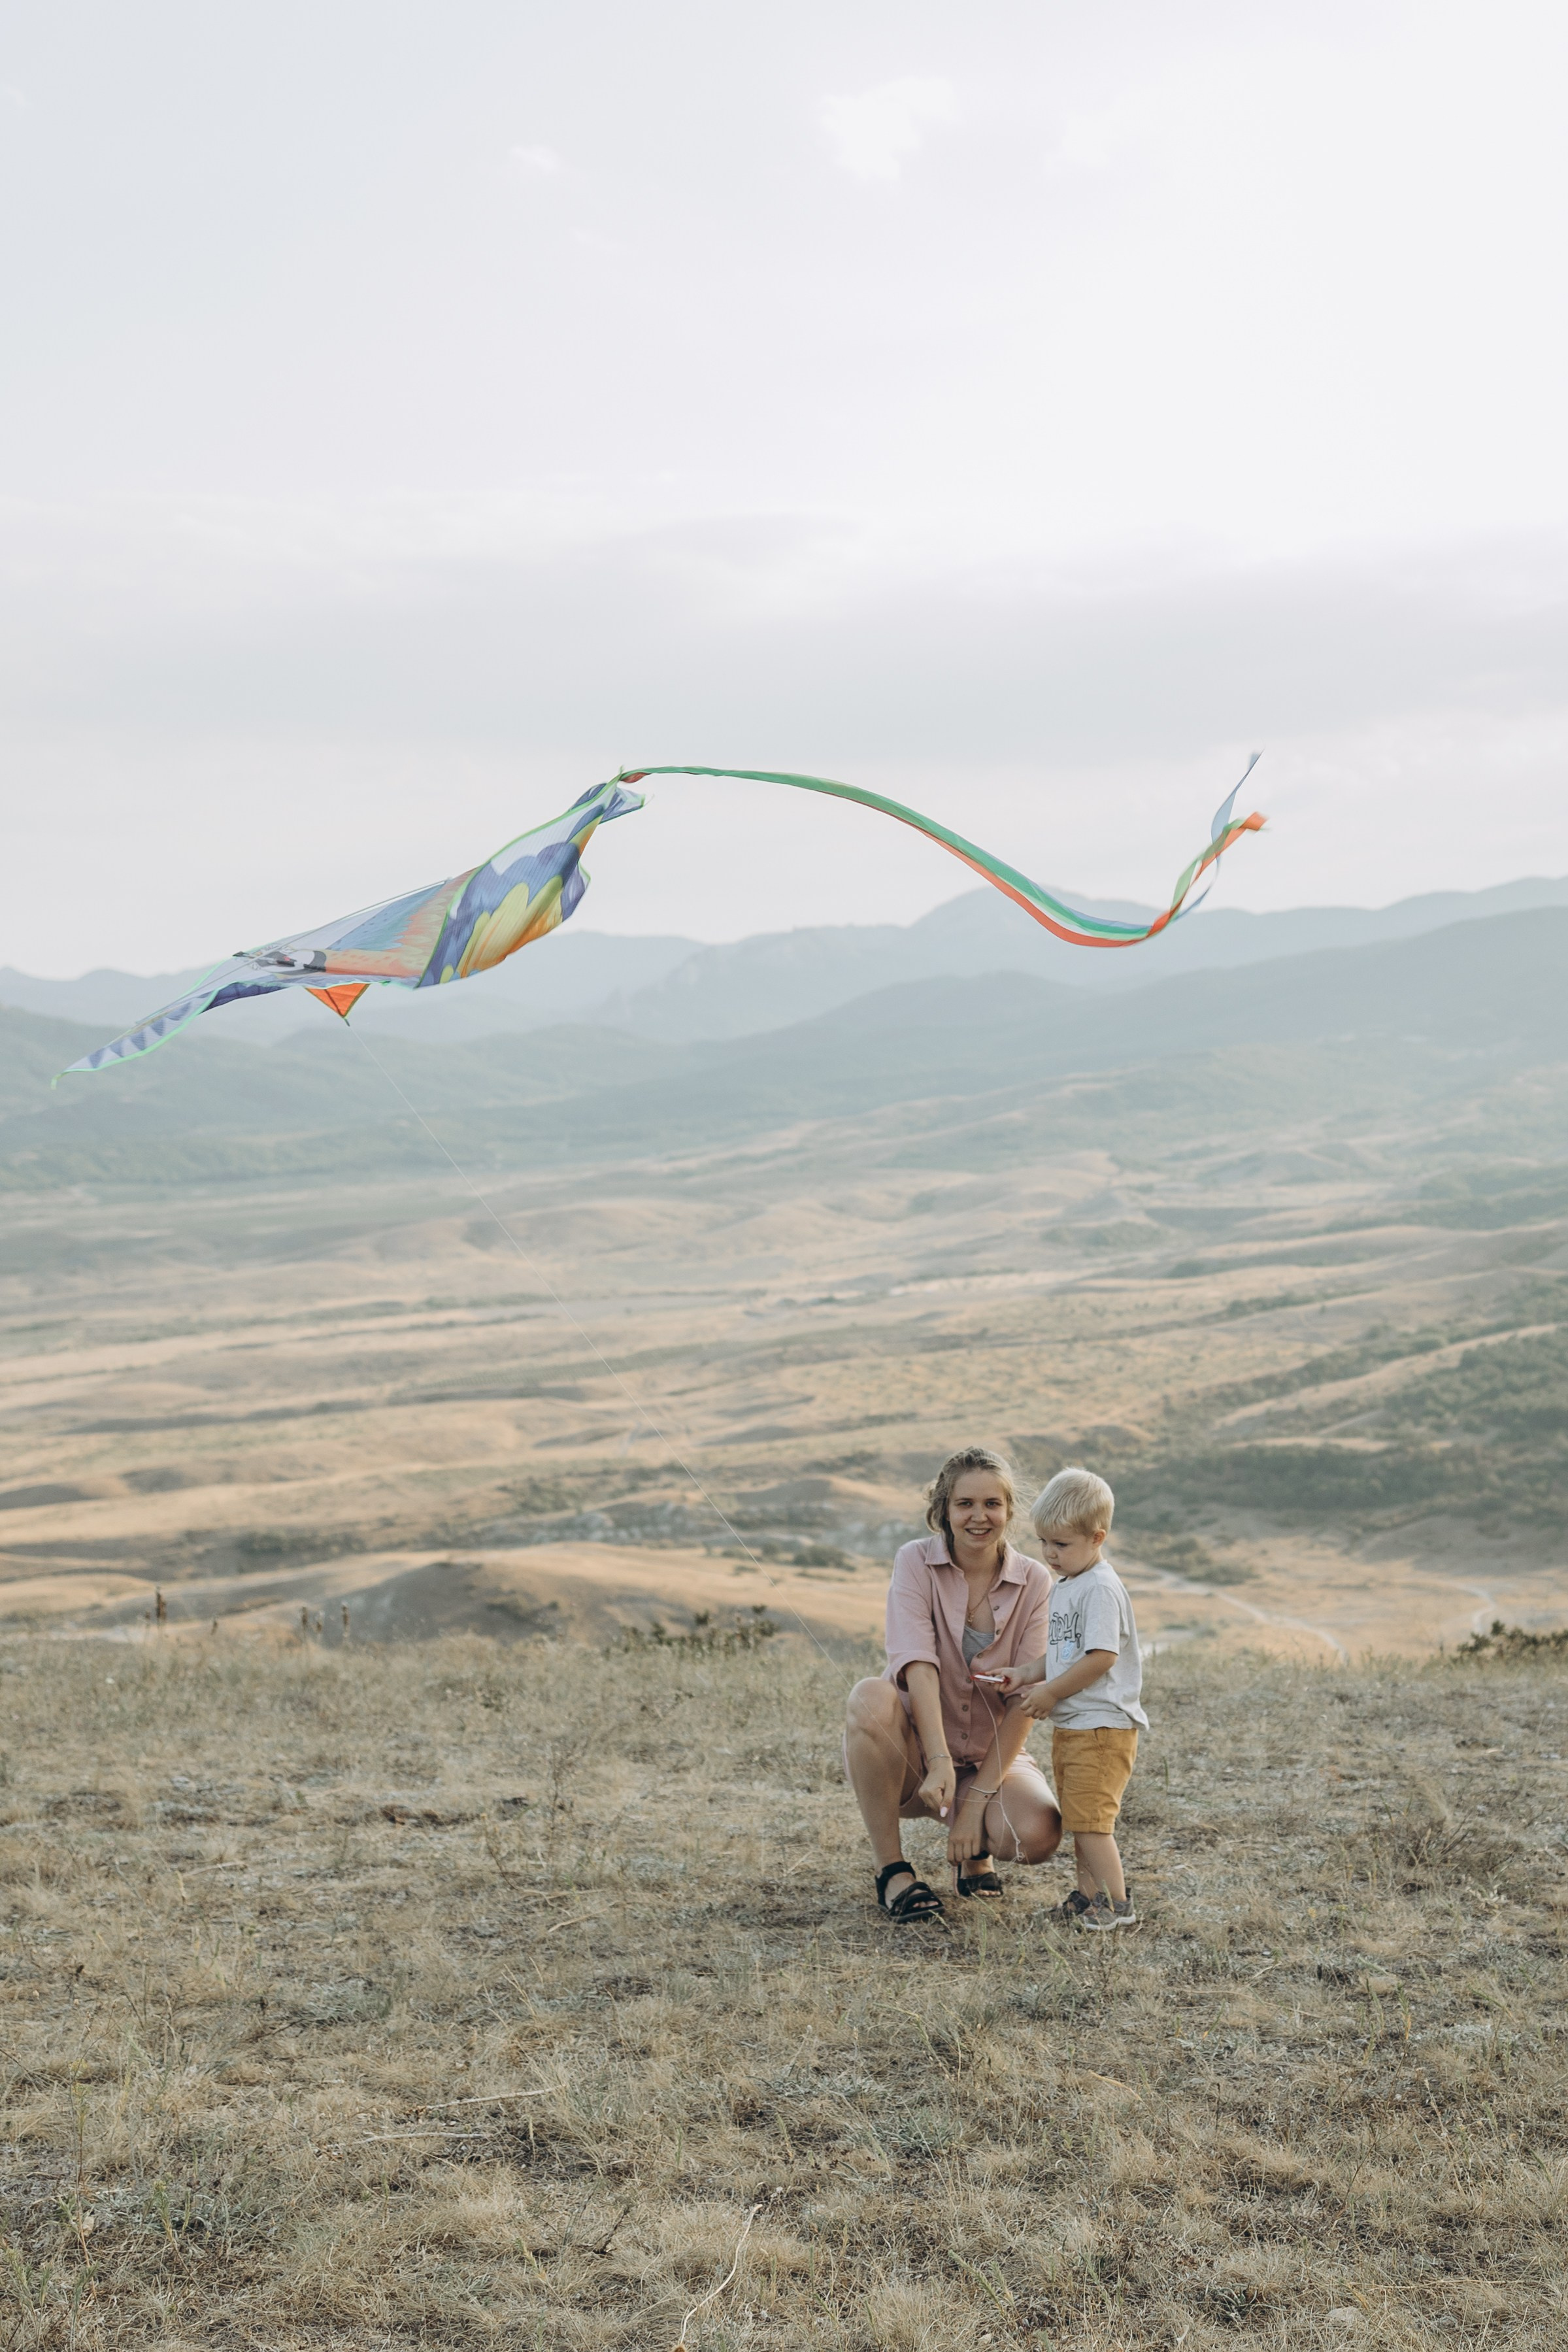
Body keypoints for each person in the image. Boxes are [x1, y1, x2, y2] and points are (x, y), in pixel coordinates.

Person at [844, 1446, 1062, 1921]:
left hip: (992, 1757)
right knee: (870, 1697)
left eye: (992, 1504)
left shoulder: (1036, 1581)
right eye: (964, 1504)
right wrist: (939, 1761)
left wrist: (975, 1803)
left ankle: (974, 1853)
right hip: (915, 1756)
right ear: (943, 1509)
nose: (978, 1517)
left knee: (1038, 1835)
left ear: (1008, 1510)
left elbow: (1023, 1700)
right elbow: (917, 1664)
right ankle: (893, 1872)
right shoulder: (913, 1562)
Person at [995, 1466, 1146, 1930]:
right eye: (1043, 1542)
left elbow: (1100, 1657)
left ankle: (1116, 1905)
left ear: (1096, 1537)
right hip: (1075, 1725)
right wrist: (1025, 1673)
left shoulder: (1099, 1587)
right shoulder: (1069, 1584)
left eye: (1060, 1545)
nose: (1049, 1554)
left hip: (1101, 1727)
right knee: (1081, 1818)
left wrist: (1049, 1693)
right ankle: (1087, 1896)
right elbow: (1065, 1653)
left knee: (1093, 1824)